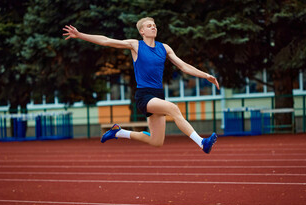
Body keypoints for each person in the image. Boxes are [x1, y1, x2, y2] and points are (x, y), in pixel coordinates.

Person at [63, 17, 219, 153]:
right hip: (144, 96)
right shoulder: (135, 45)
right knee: (173, 108)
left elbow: (184, 66)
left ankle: (118, 132)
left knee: (156, 142)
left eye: (155, 25)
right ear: (142, 31)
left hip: (158, 95)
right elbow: (106, 41)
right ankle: (202, 143)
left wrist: (206, 75)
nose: (153, 27)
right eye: (149, 25)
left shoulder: (164, 48)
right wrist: (80, 35)